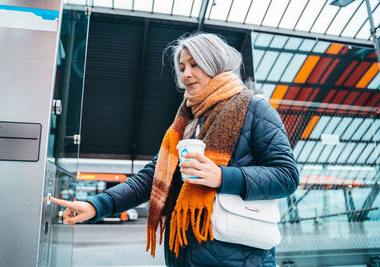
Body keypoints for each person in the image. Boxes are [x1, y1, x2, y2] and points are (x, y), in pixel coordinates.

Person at [51, 32, 299, 267]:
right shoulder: (186, 122)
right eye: (182, 68)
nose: (186, 75)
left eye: (194, 64)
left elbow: (287, 176)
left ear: (214, 64)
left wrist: (222, 177)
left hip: (241, 256)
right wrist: (96, 206)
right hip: (184, 254)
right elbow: (152, 178)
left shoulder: (254, 109)